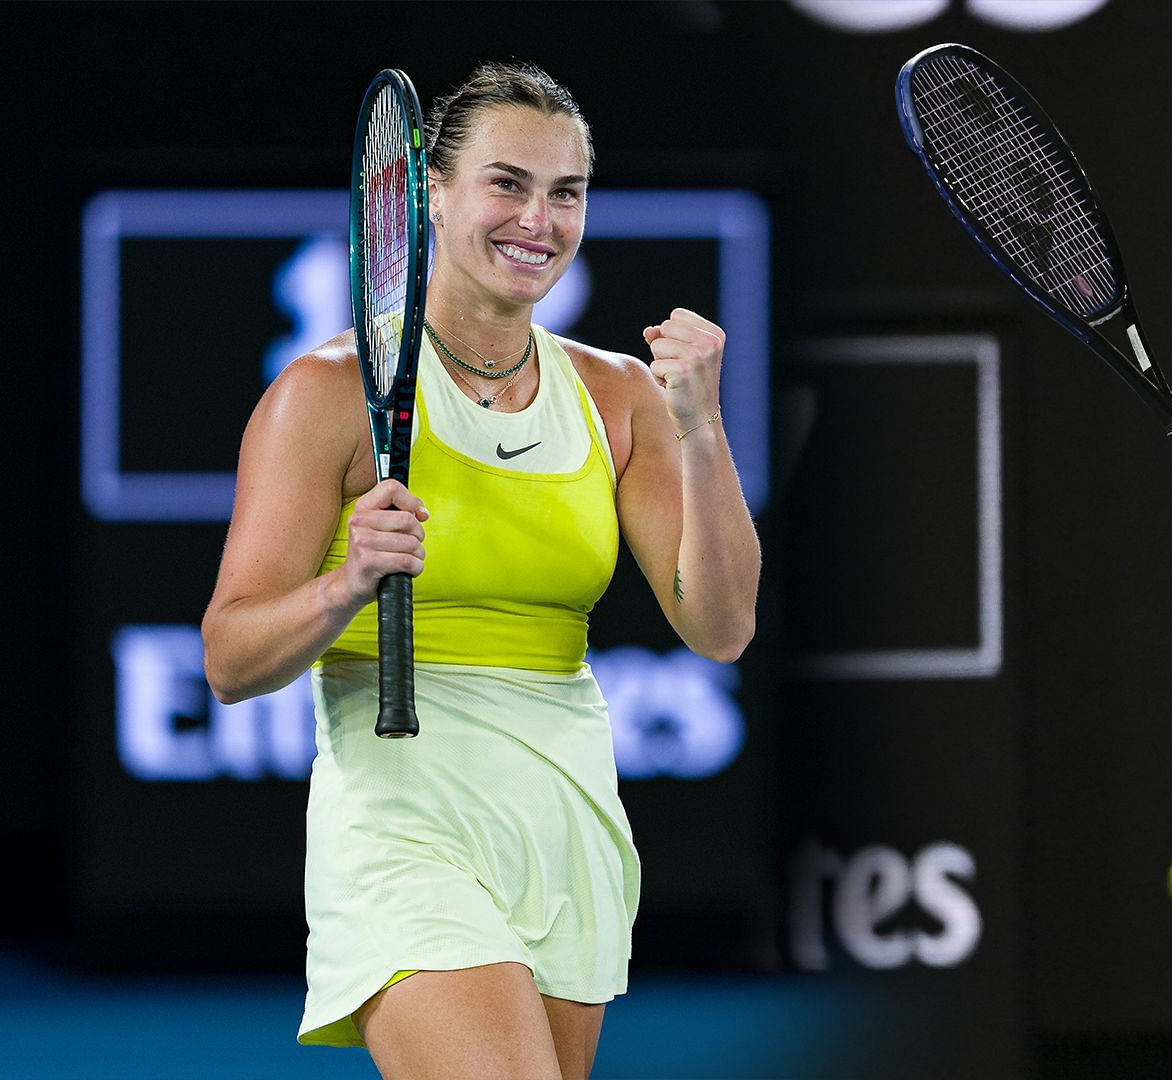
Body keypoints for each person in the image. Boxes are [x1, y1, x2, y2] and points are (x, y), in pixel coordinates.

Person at [201, 61, 759, 1078]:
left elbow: (719, 626)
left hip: (567, 821)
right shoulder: (323, 395)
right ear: (430, 194)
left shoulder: (622, 396)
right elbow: (231, 660)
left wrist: (703, 429)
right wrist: (343, 585)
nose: (537, 221)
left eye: (566, 193)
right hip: (403, 823)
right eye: (507, 184)